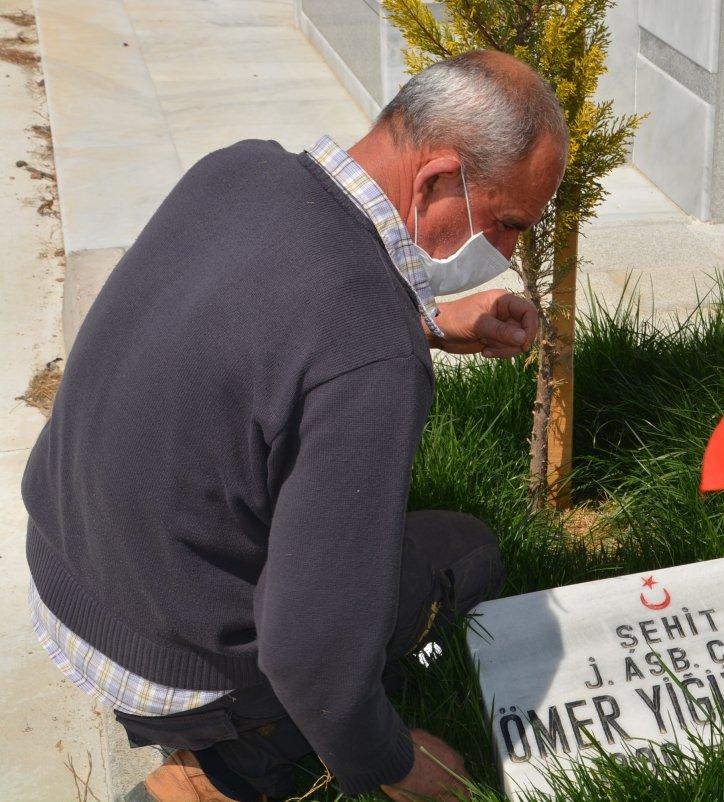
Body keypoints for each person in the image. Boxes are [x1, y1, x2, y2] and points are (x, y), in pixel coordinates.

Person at [22, 50, 567, 802]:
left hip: (65, 572)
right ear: (439, 180)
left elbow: (271, 307)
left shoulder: (240, 169)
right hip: (176, 660)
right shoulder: (373, 359)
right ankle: (234, 760)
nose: (506, 254)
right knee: (465, 554)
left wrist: (428, 321)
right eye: (508, 223)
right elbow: (310, 653)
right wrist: (395, 766)